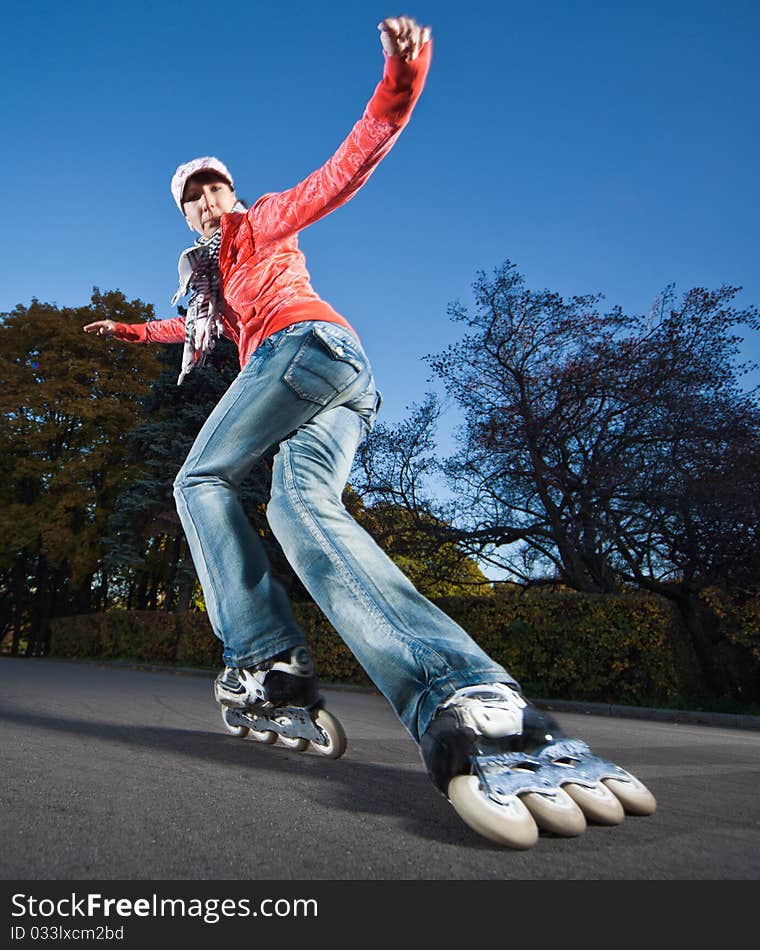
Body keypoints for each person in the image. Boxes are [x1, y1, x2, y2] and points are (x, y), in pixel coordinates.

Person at [85, 16, 655, 849]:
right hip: (342, 383)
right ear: (184, 217)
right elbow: (195, 336)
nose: (208, 203)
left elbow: (341, 173)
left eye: (215, 189)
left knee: (197, 481)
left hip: (303, 348)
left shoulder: (263, 222)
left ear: (232, 193)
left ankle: (263, 660)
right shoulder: (209, 283)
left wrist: (400, 81)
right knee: (300, 511)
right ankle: (469, 695)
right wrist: (132, 333)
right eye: (194, 199)